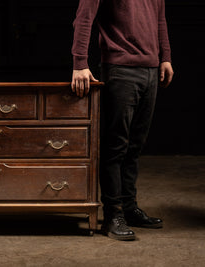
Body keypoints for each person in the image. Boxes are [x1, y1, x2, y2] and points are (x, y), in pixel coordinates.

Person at [71, 0, 174, 241]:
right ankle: (112, 215)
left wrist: (165, 57)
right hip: (120, 69)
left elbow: (160, 20)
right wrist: (79, 63)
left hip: (150, 69)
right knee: (116, 146)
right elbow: (84, 18)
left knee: (134, 146)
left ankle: (129, 207)